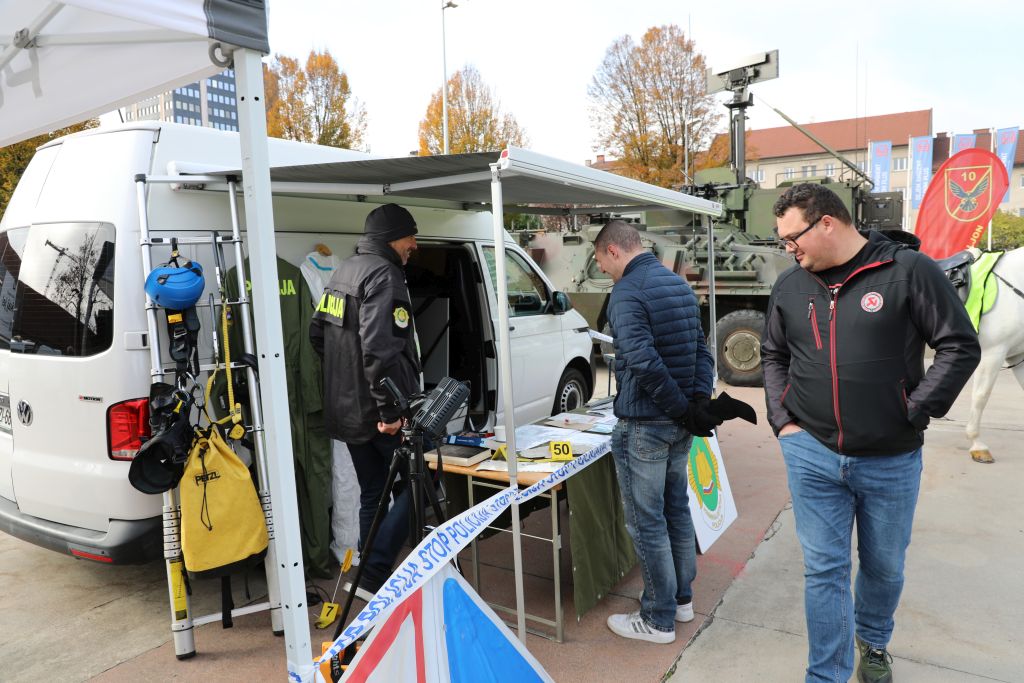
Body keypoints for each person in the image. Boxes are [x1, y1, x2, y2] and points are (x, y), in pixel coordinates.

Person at [762, 183, 980, 682]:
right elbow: (773, 354)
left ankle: (874, 642)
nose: (788, 249)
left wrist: (915, 409)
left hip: (890, 458)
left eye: (792, 238)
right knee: (824, 571)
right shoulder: (790, 285)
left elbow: (959, 346)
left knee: (883, 568)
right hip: (811, 453)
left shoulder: (908, 272)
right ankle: (827, 675)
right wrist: (783, 420)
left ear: (827, 223)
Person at [593, 219, 720, 644]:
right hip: (678, 425)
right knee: (675, 511)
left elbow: (644, 363)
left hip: (645, 426)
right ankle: (681, 601)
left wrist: (685, 408)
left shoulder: (627, 292)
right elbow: (702, 349)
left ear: (613, 251)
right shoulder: (677, 284)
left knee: (648, 523)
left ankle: (658, 618)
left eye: (600, 261)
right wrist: (695, 405)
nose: (603, 270)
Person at [309, 203, 422, 596]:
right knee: (420, 487)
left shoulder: (344, 271)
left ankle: (367, 577)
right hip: (379, 414)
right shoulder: (385, 275)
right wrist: (390, 411)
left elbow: (318, 336)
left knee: (374, 490)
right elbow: (380, 349)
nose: (414, 245)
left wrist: (348, 381)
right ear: (394, 237)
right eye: (412, 237)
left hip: (349, 413)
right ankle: (375, 573)